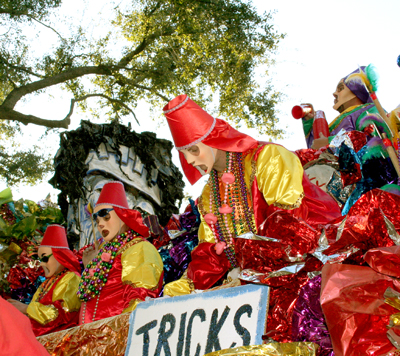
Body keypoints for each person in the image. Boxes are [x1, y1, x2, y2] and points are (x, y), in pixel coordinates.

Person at [162, 94, 342, 295]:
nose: (191, 161)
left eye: (194, 150)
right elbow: (210, 252)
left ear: (212, 139)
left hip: (309, 262)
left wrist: (247, 272)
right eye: (184, 154)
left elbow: (290, 224)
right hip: (251, 281)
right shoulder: (208, 194)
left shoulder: (267, 156)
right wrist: (178, 290)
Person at [77, 181, 164, 324]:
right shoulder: (103, 254)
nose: (100, 224)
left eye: (106, 217)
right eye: (97, 220)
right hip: (89, 340)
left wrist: (118, 337)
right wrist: (90, 265)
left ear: (123, 216)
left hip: (115, 339)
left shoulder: (138, 248)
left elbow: (139, 302)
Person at [7, 224, 82, 336]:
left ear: (59, 255)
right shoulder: (47, 283)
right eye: (40, 259)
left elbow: (60, 314)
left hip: (60, 343)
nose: (41, 264)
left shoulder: (71, 277)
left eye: (45, 258)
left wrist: (25, 308)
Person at [301, 66, 392, 150]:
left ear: (356, 90)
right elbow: (314, 150)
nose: (334, 94)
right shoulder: (340, 119)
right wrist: (309, 123)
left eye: (340, 89)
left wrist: (330, 142)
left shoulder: (370, 110)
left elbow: (371, 139)